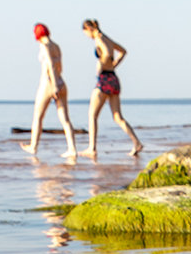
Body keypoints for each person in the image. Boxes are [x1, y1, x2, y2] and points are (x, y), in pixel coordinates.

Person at [81, 19, 142, 159]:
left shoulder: (99, 39)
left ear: (88, 29)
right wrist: (114, 64)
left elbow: (107, 53)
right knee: (118, 117)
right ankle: (136, 142)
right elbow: (123, 51)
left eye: (85, 33)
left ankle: (92, 147)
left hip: (104, 79)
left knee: (92, 114)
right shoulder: (107, 37)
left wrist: (102, 64)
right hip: (113, 78)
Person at [23, 24, 78, 161]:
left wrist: (53, 86)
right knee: (65, 119)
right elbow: (60, 66)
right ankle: (72, 149)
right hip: (61, 81)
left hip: (48, 83)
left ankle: (33, 146)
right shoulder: (56, 46)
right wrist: (58, 82)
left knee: (38, 116)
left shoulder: (44, 46)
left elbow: (50, 65)